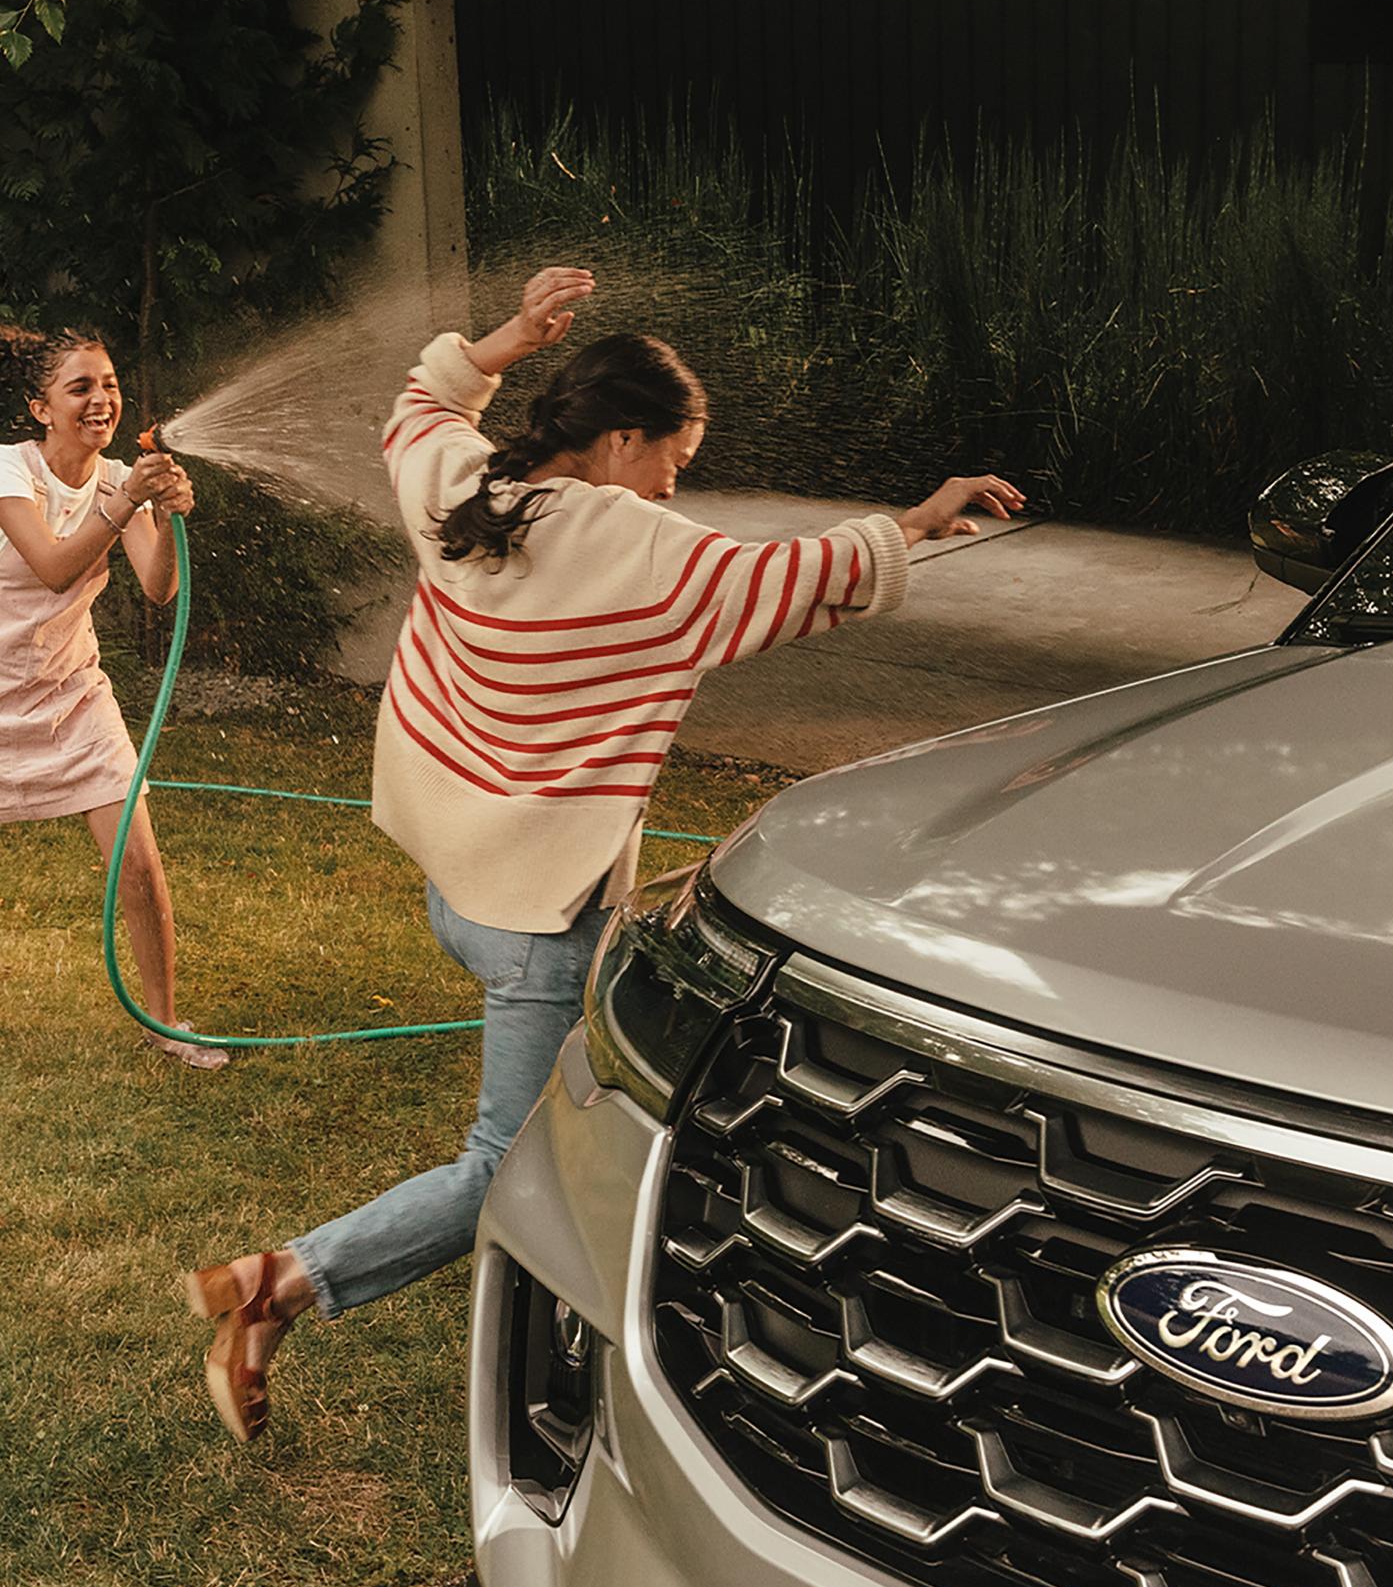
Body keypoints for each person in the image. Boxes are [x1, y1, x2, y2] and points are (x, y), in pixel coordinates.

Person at [186, 265, 1025, 1441]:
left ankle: (622, 1326)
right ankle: (275, 1283)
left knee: (628, 1102)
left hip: (461, 883)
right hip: (536, 919)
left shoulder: (470, 490)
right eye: (675, 459)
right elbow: (789, 578)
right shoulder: (639, 547)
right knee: (505, 1163)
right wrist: (921, 522)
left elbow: (419, 406)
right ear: (623, 439)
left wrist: (509, 338)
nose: (681, 483)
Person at [0, 326, 229, 1070]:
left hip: (70, 693)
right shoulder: (9, 471)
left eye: (109, 385)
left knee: (137, 858)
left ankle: (164, 1022)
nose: (101, 400)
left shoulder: (116, 479)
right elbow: (54, 567)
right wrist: (128, 496)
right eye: (80, 387)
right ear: (40, 407)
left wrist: (162, 514)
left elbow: (158, 586)